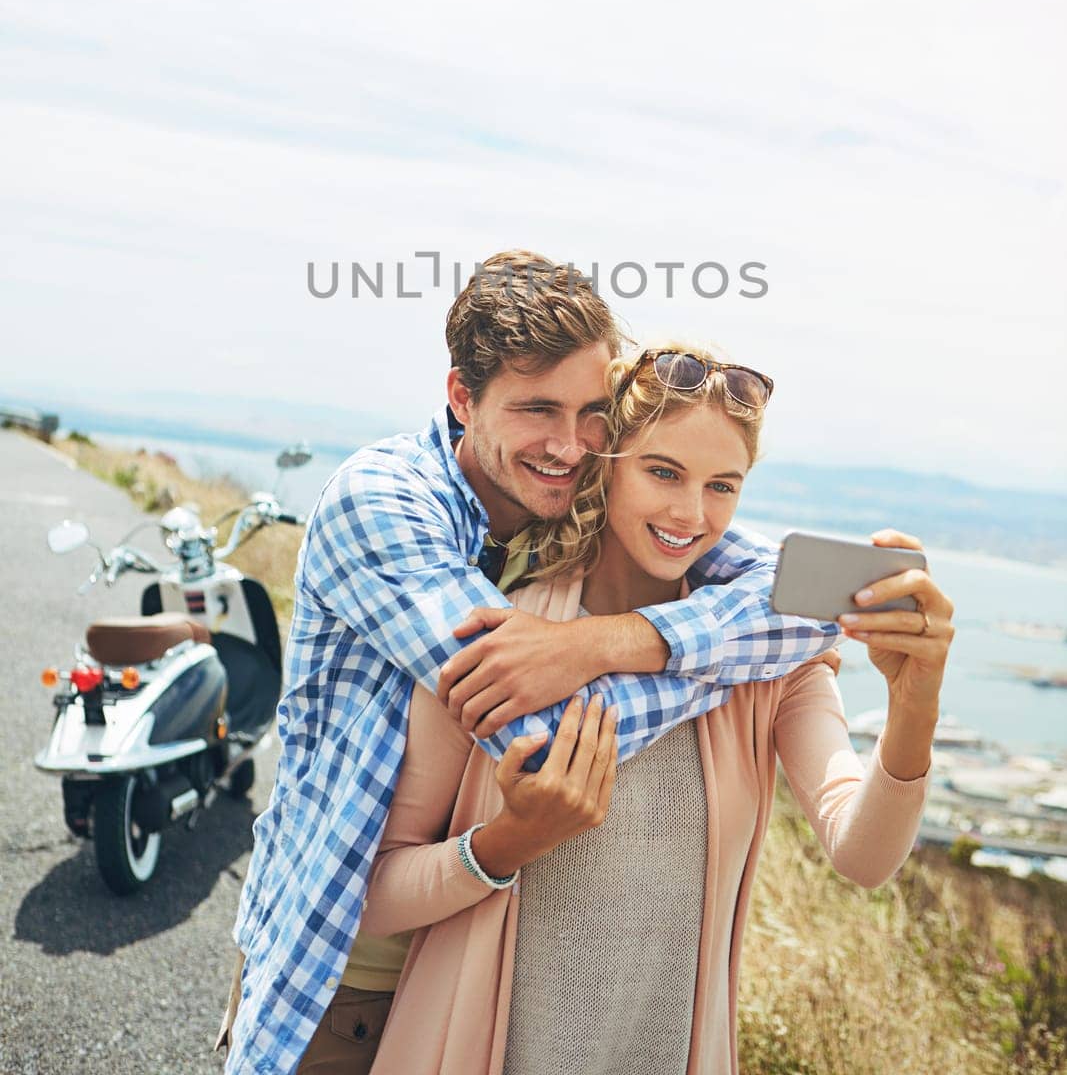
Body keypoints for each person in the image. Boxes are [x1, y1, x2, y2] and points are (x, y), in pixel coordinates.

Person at [222, 255, 842, 1074]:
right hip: (345, 978)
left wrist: (602, 642)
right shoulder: (383, 502)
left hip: (480, 987)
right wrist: (741, 657)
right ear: (460, 398)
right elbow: (547, 742)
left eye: (592, 414)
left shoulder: (571, 523)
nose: (568, 445)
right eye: (535, 409)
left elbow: (819, 590)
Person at [347, 344, 953, 1075]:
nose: (689, 513)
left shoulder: (773, 663)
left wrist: (914, 701)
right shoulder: (500, 638)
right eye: (662, 472)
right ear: (603, 464)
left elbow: (862, 856)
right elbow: (373, 893)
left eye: (721, 486)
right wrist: (506, 842)